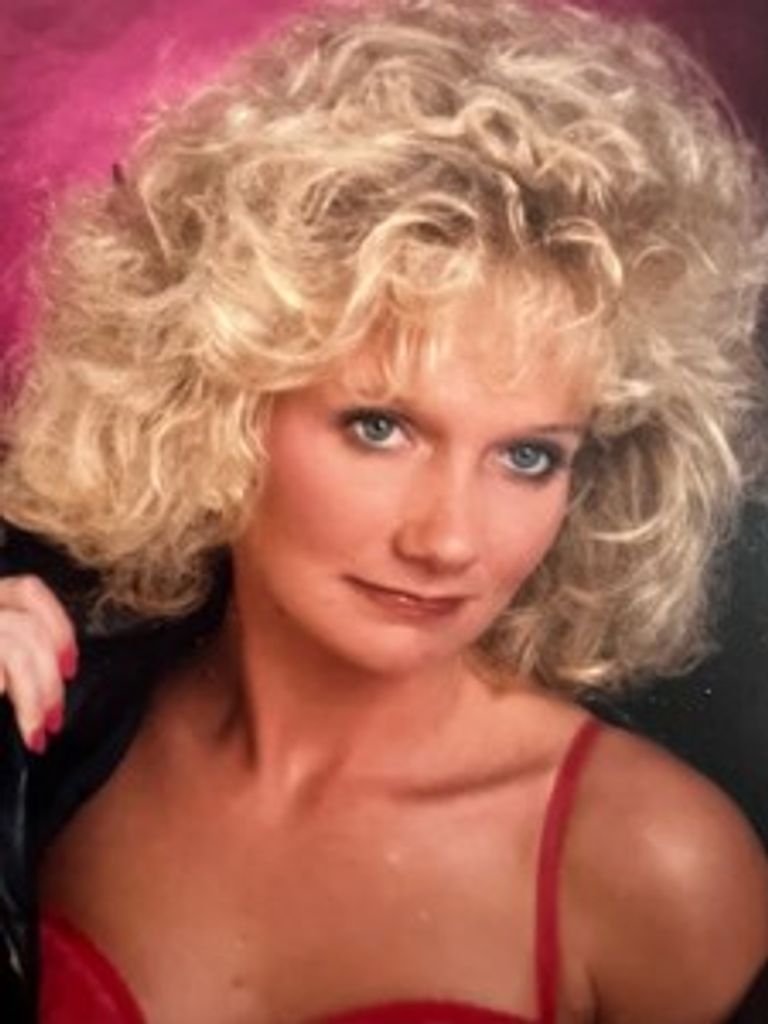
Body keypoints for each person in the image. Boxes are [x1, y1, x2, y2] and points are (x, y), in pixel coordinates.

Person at [0, 0, 767, 1020]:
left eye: (529, 456)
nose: (448, 539)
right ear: (217, 402)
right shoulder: (66, 748)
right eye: (379, 427)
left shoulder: (654, 868)